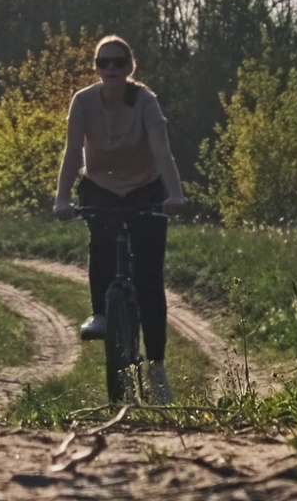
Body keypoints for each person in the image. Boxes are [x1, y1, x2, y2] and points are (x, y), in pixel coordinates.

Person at [53, 35, 186, 403]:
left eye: (118, 62)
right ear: (96, 67)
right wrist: (62, 199)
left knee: (147, 278)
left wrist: (175, 196)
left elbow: (162, 153)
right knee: (102, 243)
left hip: (145, 189)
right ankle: (101, 314)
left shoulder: (145, 101)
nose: (110, 69)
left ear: (130, 68)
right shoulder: (83, 101)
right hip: (100, 187)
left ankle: (156, 368)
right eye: (103, 62)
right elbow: (71, 154)